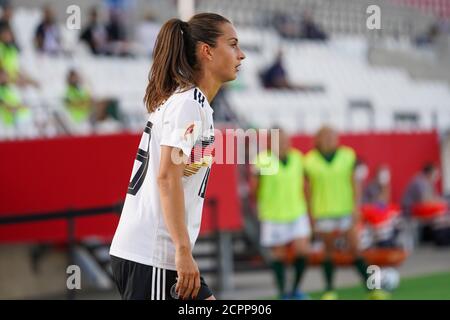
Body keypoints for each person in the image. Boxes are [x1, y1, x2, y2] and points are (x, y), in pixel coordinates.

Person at [109, 13, 245, 300]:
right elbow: (167, 177)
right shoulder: (189, 104)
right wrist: (183, 250)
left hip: (157, 254)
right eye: (233, 45)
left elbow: (177, 173)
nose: (241, 55)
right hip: (155, 254)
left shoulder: (193, 104)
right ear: (206, 51)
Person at [304, 126, 389, 300]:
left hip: (345, 210)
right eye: (326, 136)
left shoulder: (347, 155)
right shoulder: (310, 160)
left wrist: (355, 207)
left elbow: (355, 183)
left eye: (332, 136)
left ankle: (372, 287)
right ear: (318, 139)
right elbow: (307, 188)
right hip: (323, 210)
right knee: (328, 251)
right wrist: (310, 212)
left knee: (356, 248)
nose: (329, 139)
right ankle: (329, 290)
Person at [251, 128, 310, 300]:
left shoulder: (298, 158)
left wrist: (308, 206)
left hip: (297, 211)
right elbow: (255, 187)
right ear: (270, 142)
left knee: (303, 251)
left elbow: (305, 184)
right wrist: (261, 206)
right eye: (278, 140)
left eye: (285, 139)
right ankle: (284, 292)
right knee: (279, 255)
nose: (283, 143)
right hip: (274, 214)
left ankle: (296, 288)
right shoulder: (263, 160)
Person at [63, 69, 122, 133]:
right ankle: (115, 122)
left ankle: (114, 121)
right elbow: (74, 104)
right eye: (74, 77)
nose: (76, 79)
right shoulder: (68, 92)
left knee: (109, 101)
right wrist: (87, 103)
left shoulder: (80, 90)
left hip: (87, 113)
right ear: (70, 79)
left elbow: (90, 98)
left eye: (76, 77)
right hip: (80, 118)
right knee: (103, 104)